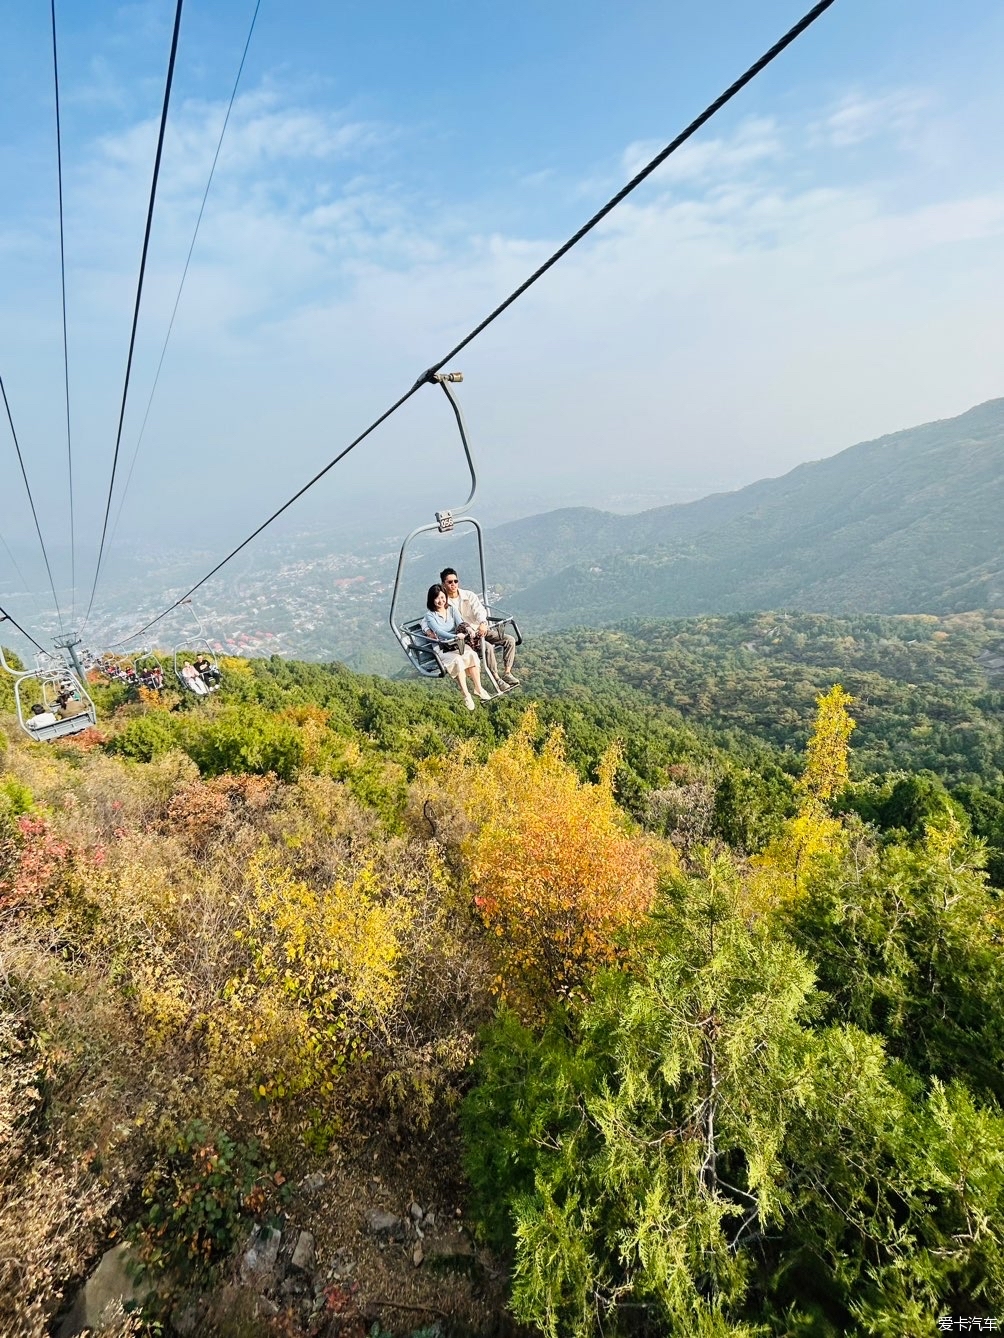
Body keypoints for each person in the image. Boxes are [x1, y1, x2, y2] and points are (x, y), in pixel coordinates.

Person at [440, 567, 518, 687]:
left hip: (480, 629)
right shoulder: (443, 602)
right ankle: (496, 678)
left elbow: (479, 610)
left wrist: (482, 623)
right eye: (449, 582)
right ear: (443, 584)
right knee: (487, 647)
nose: (453, 584)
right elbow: (432, 617)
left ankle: (507, 672)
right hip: (467, 637)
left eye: (455, 581)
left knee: (510, 640)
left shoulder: (468, 595)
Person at [421, 583, 492, 711]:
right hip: (442, 647)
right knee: (458, 661)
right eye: (437, 598)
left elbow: (460, 622)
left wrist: (468, 628)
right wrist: (453, 636)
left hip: (456, 644)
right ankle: (466, 694)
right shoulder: (430, 615)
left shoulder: (451, 609)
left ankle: (478, 688)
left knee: (472, 655)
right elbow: (438, 631)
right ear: (432, 600)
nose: (440, 601)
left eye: (443, 597)